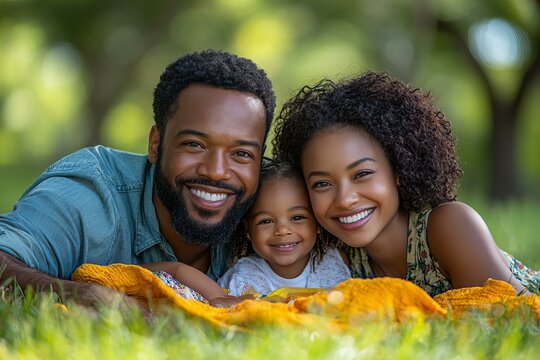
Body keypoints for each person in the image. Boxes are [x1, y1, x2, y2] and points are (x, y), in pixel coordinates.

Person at [0, 49, 276, 310]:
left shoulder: (273, 210)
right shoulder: (90, 197)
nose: (216, 171)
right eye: (194, 145)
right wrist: (78, 295)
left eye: (241, 153)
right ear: (156, 145)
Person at [272, 71, 539, 297]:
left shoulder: (449, 226)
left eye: (362, 174)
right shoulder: (337, 259)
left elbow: (513, 317)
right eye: (321, 184)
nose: (344, 199)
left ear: (398, 169)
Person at [218, 159, 350, 296]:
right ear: (248, 230)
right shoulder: (241, 278)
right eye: (266, 221)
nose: (282, 230)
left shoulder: (336, 262)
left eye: (297, 218)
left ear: (317, 222)